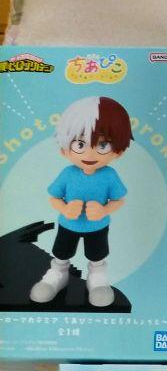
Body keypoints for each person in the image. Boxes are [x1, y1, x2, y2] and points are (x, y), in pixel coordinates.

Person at [30, 96, 131, 307]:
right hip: (68, 224)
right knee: (62, 251)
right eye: (80, 144)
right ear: (64, 148)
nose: (90, 153)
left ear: (119, 150)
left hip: (98, 226)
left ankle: (98, 276)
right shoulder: (68, 173)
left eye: (102, 144)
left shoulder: (109, 175)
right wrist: (65, 208)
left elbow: (119, 200)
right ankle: (58, 272)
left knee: (97, 253)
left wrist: (104, 210)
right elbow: (54, 197)